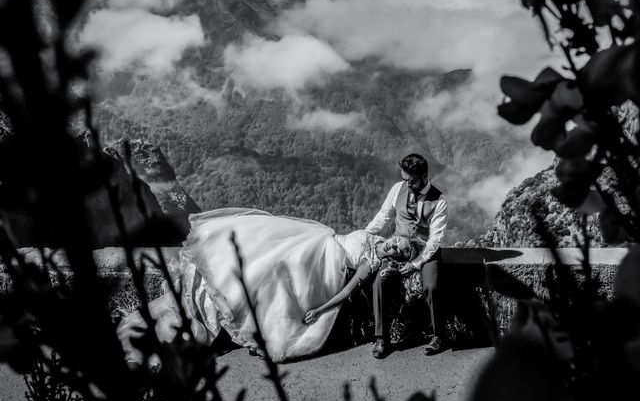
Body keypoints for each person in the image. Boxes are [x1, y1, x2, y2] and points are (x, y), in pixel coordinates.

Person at [117, 208, 413, 363]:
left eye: (400, 251)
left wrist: (319, 311)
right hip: (320, 241)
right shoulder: (373, 234)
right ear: (395, 236)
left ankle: (258, 331)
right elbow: (386, 211)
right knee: (265, 255)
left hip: (324, 265)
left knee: (278, 284)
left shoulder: (371, 263)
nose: (396, 247)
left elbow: (346, 293)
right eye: (399, 242)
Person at [365, 153, 448, 358]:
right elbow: (384, 216)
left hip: (425, 251)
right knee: (380, 282)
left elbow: (435, 239)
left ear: (425, 175)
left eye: (411, 181)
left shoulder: (440, 200)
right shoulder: (397, 189)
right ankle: (381, 338)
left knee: (432, 285)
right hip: (397, 248)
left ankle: (439, 336)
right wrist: (364, 236)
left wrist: (417, 263)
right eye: (405, 179)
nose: (407, 184)